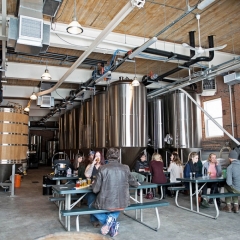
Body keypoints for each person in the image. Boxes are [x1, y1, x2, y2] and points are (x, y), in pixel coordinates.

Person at [88, 147, 139, 237]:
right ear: (118, 157)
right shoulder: (125, 168)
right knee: (116, 206)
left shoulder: (102, 168)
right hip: (123, 202)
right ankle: (111, 221)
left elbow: (95, 189)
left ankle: (110, 224)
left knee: (90, 206)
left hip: (106, 202)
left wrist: (93, 184)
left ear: (107, 157)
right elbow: (134, 183)